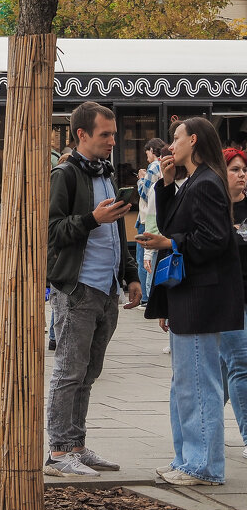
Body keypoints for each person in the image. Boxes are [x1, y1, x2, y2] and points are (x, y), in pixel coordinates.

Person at [140, 118, 243, 486]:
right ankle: (187, 459)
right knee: (187, 382)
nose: (171, 145)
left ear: (193, 140)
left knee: (199, 383)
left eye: (176, 138)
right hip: (189, 296)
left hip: (201, 296)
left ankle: (203, 466)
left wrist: (170, 244)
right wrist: (167, 185)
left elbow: (215, 239)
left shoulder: (208, 182)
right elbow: (173, 224)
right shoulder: (194, 182)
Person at [44, 101, 142, 478]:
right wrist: (90, 219)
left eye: (114, 134)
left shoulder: (106, 171)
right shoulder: (65, 174)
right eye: (105, 134)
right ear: (82, 134)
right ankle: (57, 452)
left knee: (89, 372)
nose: (113, 140)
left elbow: (118, 232)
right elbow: (51, 232)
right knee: (69, 371)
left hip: (107, 289)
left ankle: (77, 446)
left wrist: (130, 274)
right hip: (79, 288)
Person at [220, 147, 247, 459]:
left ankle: (201, 427)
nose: (241, 175)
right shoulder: (213, 209)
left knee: (224, 373)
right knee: (240, 363)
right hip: (226, 300)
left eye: (244, 170)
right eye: (235, 169)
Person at [136, 138, 167, 307]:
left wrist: (141, 178)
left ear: (152, 150)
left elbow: (145, 192)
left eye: (147, 151)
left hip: (149, 217)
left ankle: (146, 297)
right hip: (157, 218)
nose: (146, 155)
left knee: (144, 258)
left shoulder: (154, 166)